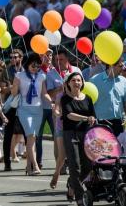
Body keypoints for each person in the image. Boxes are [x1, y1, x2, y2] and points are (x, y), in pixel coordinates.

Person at [11, 53, 54, 176]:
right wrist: (14, 86)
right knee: (31, 137)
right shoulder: (20, 75)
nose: (35, 68)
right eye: (33, 65)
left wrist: (51, 102)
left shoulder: (41, 76)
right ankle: (35, 165)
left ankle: (28, 168)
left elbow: (44, 93)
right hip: (24, 109)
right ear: (28, 64)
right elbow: (14, 93)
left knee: (32, 139)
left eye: (38, 66)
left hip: (38, 110)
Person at [61, 72, 95, 206]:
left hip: (86, 134)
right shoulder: (65, 99)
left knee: (88, 167)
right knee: (75, 167)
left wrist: (92, 119)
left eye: (79, 80)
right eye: (73, 80)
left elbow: (93, 116)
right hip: (71, 134)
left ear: (82, 82)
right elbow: (69, 115)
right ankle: (79, 198)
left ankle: (72, 184)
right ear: (68, 83)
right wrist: (86, 118)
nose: (77, 83)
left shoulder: (88, 98)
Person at [47, 49, 82, 178]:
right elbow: (49, 94)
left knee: (76, 137)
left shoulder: (76, 71)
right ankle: (60, 167)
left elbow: (83, 87)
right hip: (60, 109)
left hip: (76, 108)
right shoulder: (51, 74)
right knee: (59, 139)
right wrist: (60, 89)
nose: (58, 62)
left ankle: (76, 163)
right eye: (56, 59)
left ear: (67, 59)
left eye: (61, 59)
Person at [89, 57, 126, 137]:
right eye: (120, 66)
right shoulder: (94, 80)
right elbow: (89, 102)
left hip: (119, 123)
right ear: (111, 65)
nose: (123, 68)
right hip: (100, 123)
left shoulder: (124, 81)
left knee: (119, 148)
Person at [0, 49, 24, 171]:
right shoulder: (6, 71)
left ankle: (31, 163)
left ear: (21, 58)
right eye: (11, 57)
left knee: (26, 133)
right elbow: (2, 89)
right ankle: (7, 163)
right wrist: (14, 86)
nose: (13, 59)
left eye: (15, 57)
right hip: (10, 106)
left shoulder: (25, 71)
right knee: (8, 134)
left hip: (24, 105)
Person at [36, 48, 55, 169]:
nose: (48, 58)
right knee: (39, 135)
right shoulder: (37, 72)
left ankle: (61, 160)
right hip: (40, 108)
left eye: (50, 56)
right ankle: (38, 160)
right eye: (46, 56)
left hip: (52, 108)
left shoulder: (54, 71)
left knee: (57, 135)